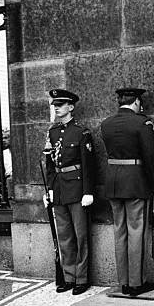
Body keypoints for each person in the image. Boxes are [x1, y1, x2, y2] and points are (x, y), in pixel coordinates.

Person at [101, 88, 154, 297]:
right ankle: (136, 283)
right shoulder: (142, 123)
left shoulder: (106, 123)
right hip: (135, 182)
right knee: (136, 231)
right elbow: (150, 157)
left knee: (120, 231)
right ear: (136, 102)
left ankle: (124, 282)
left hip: (113, 183)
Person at [43, 89, 95, 295]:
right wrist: (49, 190)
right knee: (64, 235)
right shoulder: (53, 133)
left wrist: (88, 192)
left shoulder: (82, 132)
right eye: (55, 104)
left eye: (61, 104)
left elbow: (89, 165)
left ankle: (82, 278)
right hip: (59, 189)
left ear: (71, 107)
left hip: (77, 189)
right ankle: (69, 277)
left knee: (80, 235)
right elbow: (49, 164)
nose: (56, 107)